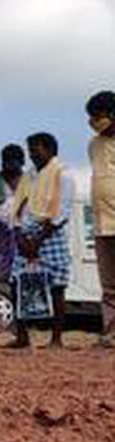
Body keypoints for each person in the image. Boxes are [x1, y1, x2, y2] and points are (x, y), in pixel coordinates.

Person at [8, 133, 75, 349]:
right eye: (30, 150)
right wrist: (19, 235)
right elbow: (17, 206)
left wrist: (38, 240)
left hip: (50, 233)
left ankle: (56, 339)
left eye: (35, 149)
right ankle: (22, 336)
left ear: (49, 149)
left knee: (56, 285)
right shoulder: (29, 175)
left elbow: (62, 212)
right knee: (17, 283)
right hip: (25, 233)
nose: (31, 154)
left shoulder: (63, 174)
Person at [0, 145, 26, 313]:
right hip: (0, 232)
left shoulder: (29, 180)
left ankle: (20, 314)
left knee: (18, 276)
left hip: (22, 233)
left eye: (12, 161)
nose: (8, 165)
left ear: (21, 162)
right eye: (5, 161)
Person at [88, 91, 115, 348]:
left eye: (98, 116)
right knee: (108, 284)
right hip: (101, 223)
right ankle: (109, 332)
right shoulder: (93, 145)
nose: (94, 122)